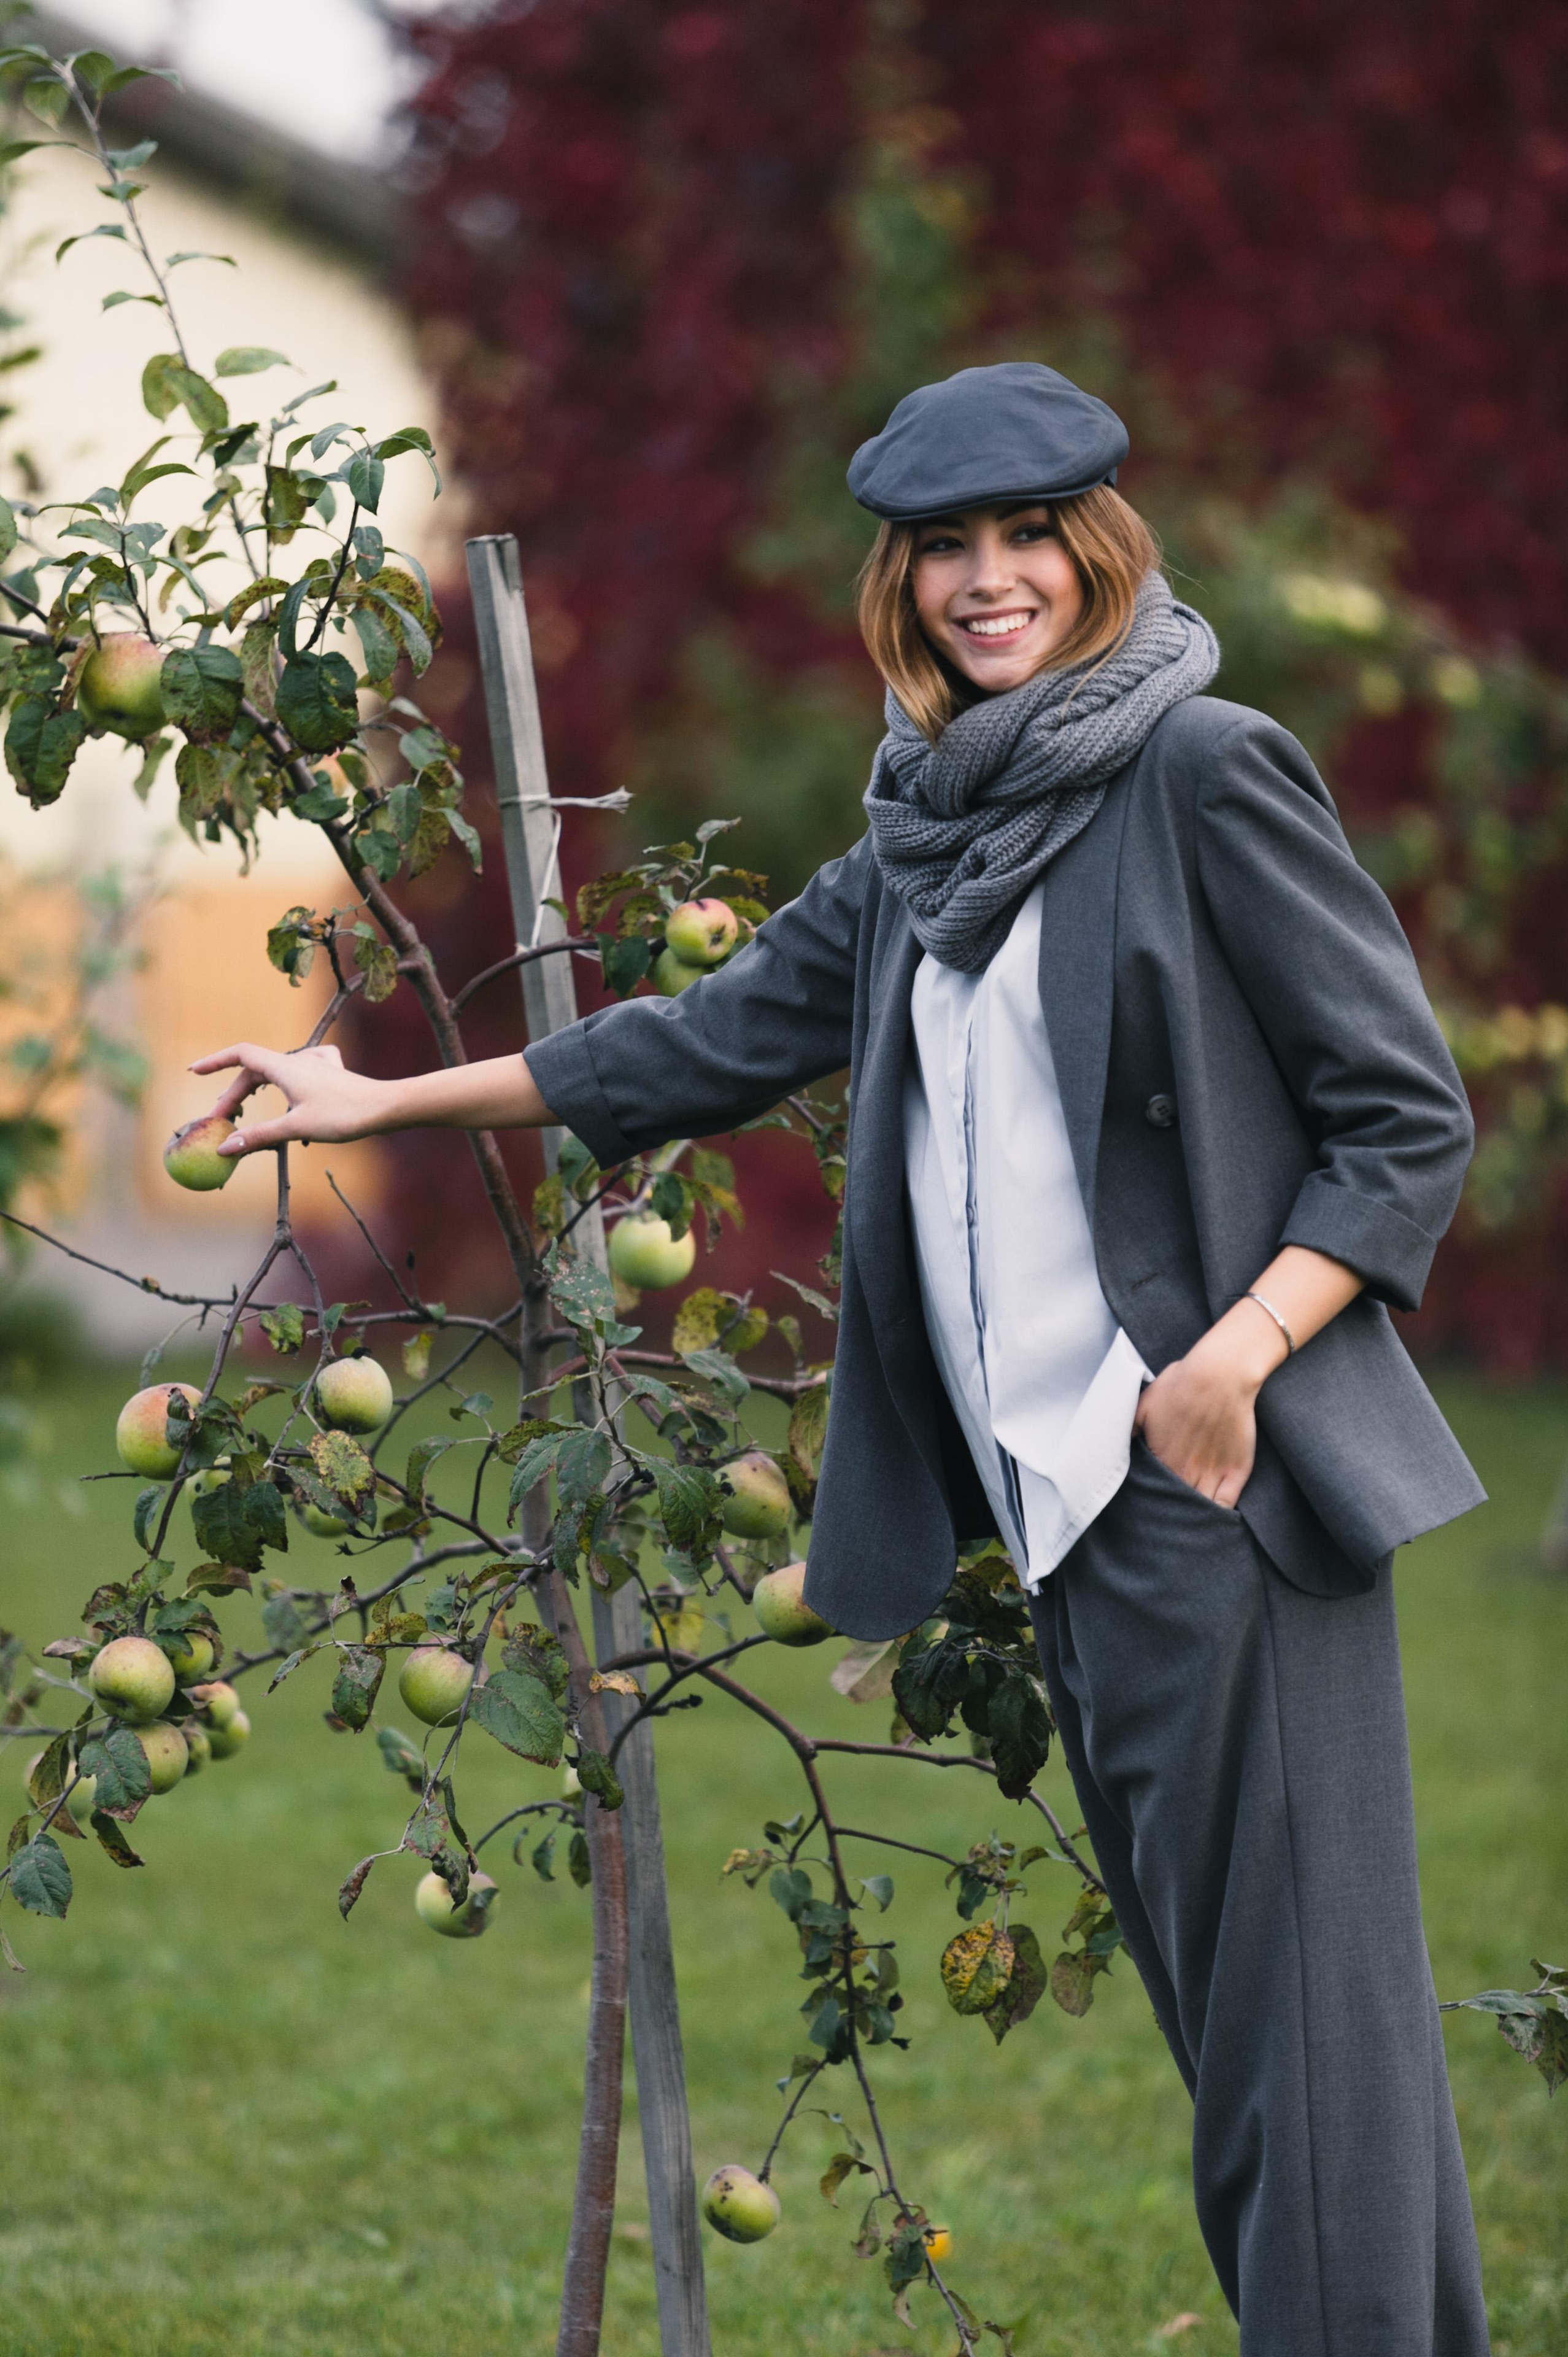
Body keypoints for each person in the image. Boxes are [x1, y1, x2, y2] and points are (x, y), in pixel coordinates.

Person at [192, 361, 1491, 2354]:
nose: (992, 580)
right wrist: (361, 1092)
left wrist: (1235, 1359)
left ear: (1099, 547)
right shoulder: (926, 838)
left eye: (1029, 535)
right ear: (902, 581)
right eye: (948, 547)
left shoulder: (1204, 770)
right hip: (1075, 1528)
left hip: (1216, 1494)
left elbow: (1404, 1116)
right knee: (1266, 2071)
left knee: (1305, 2070)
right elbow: (691, 1048)